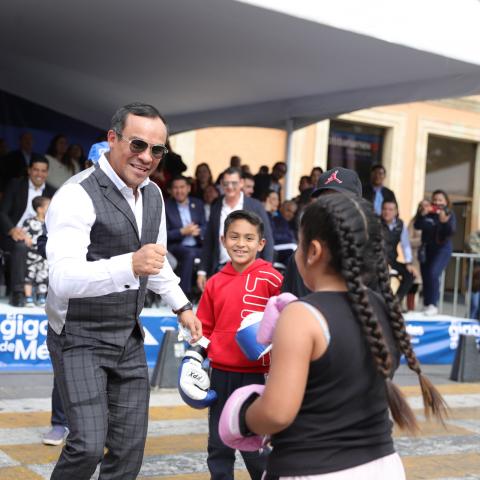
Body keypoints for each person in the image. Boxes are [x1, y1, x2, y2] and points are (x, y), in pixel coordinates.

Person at [224, 194, 448, 479]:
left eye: (299, 244)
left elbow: (276, 413)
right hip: (383, 466)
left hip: (315, 468)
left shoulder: (301, 315)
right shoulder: (382, 307)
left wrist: (240, 416)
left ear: (313, 251)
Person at [45, 102, 202, 479]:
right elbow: (62, 278)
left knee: (129, 449)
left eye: (157, 149)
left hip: (127, 336)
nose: (146, 157)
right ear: (112, 139)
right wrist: (128, 264)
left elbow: (156, 259)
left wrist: (182, 305)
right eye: (137, 145)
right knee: (86, 446)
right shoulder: (76, 194)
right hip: (77, 336)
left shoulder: (153, 196)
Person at [196, 210, 283, 479]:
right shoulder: (214, 283)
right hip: (220, 375)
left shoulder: (272, 279)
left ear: (261, 244)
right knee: (219, 444)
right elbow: (204, 328)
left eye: (248, 238)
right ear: (223, 240)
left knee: (255, 446)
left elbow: (288, 317)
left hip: (257, 376)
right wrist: (194, 358)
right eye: (234, 237)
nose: (241, 244)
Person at [281, 166, 363, 298]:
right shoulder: (301, 256)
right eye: (324, 199)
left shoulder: (371, 255)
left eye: (339, 199)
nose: (331, 206)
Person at [197, 167, 274, 290]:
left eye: (234, 183)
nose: (230, 187)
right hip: (221, 268)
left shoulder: (255, 206)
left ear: (242, 183)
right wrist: (202, 271)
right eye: (226, 183)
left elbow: (267, 239)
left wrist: (268, 270)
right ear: (221, 184)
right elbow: (209, 241)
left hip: (250, 270)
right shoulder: (216, 206)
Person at [0, 156, 56, 306]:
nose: (39, 174)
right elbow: (2, 212)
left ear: (47, 173)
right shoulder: (16, 185)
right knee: (21, 246)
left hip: (43, 237)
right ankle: (18, 293)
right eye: (36, 170)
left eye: (43, 171)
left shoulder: (53, 191)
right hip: (16, 234)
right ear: (29, 170)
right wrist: (12, 230)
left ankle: (46, 295)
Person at [414, 190, 456, 316]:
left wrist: (444, 222)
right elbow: (417, 225)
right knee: (426, 276)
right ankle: (427, 304)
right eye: (435, 199)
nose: (437, 202)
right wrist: (421, 214)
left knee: (433, 273)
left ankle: (433, 304)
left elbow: (451, 232)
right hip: (426, 249)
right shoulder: (427, 213)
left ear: (446, 202)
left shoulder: (449, 214)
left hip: (442, 250)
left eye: (440, 200)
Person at [165, 175, 206, 299]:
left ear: (188, 188)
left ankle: (207, 295)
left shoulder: (197, 204)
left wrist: (198, 231)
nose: (179, 191)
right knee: (190, 254)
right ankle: (183, 296)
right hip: (176, 246)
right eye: (176, 188)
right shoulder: (166, 206)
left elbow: (205, 226)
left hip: (197, 244)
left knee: (211, 252)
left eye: (182, 187)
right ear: (171, 190)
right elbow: (163, 234)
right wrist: (182, 232)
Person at [380, 200, 415, 306]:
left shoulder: (400, 224)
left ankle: (396, 302)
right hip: (378, 260)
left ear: (396, 211)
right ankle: (381, 303)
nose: (387, 212)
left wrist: (408, 262)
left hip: (392, 260)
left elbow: (405, 244)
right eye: (385, 209)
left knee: (410, 275)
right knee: (382, 274)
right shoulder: (376, 222)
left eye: (390, 209)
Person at [22, 196, 50, 307]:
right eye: (48, 206)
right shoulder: (29, 221)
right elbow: (23, 232)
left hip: (44, 255)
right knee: (29, 275)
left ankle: (41, 297)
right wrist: (25, 237)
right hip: (32, 254)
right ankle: (28, 297)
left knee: (43, 277)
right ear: (40, 209)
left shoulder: (50, 223)